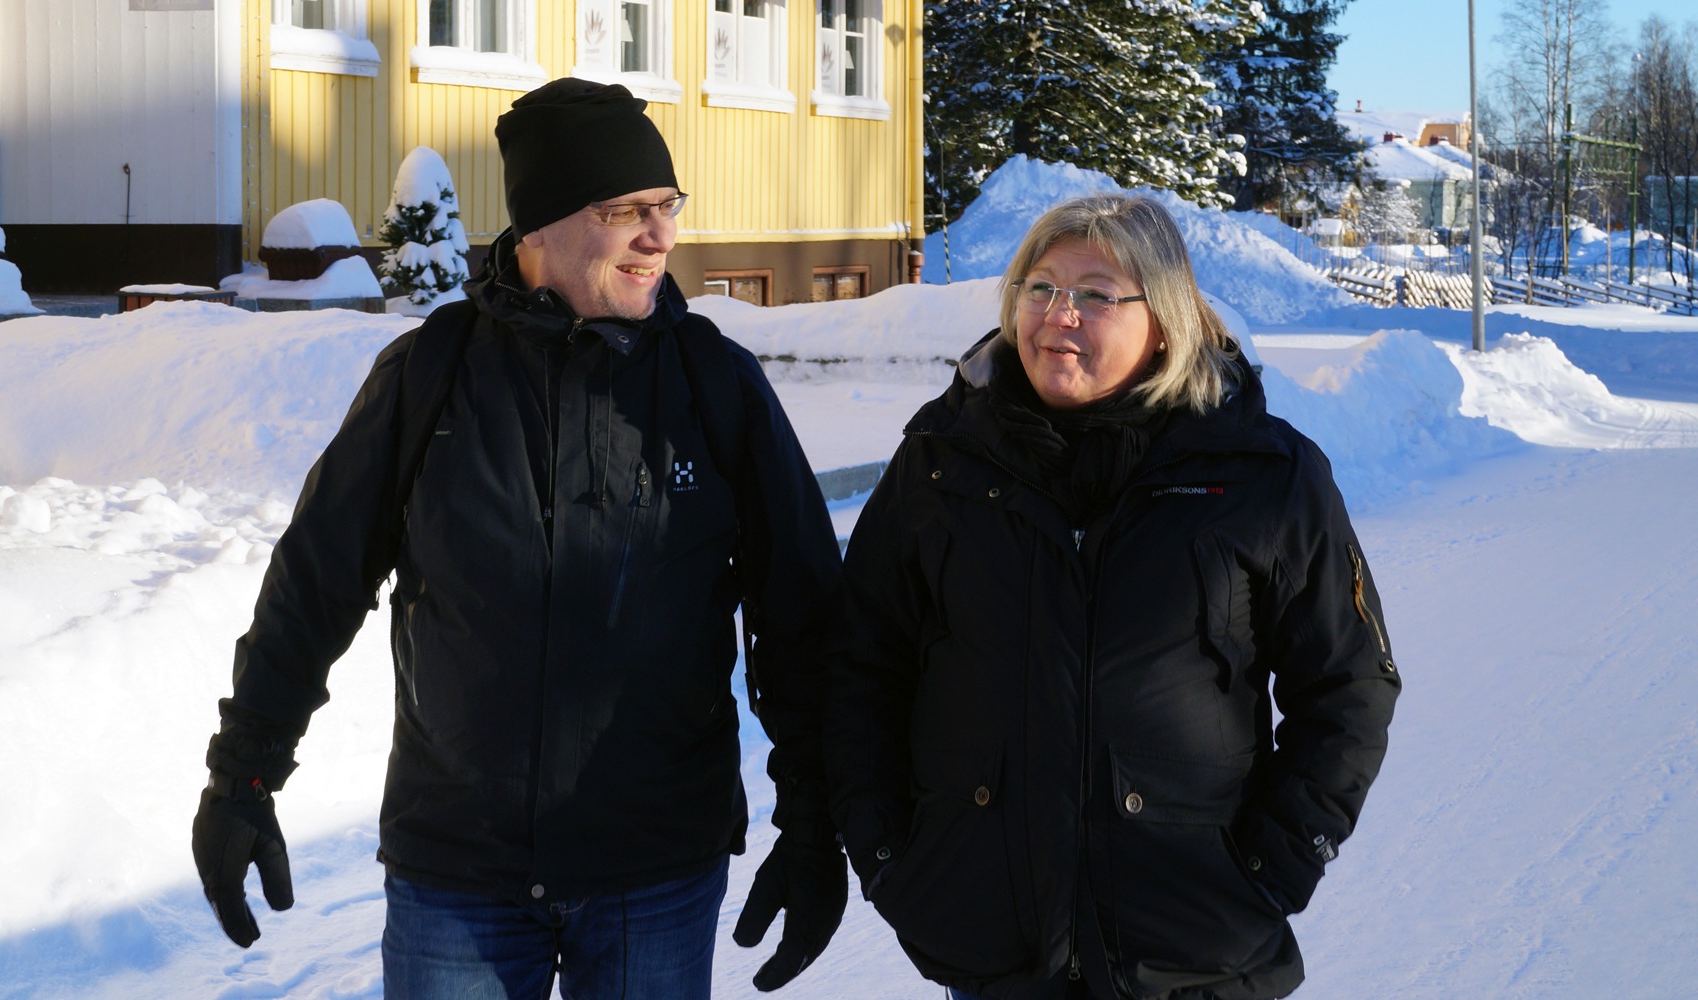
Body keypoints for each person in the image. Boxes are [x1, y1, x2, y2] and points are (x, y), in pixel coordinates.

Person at [190, 79, 847, 999]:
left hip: (653, 872)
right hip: (458, 877)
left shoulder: (712, 386)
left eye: (667, 207)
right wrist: (244, 774)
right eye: (626, 211)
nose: (660, 237)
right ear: (539, 226)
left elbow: (803, 617)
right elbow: (316, 581)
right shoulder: (431, 376)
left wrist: (816, 819)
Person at [823, 194, 1401, 1000]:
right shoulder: (941, 461)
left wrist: (1272, 870)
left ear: (1164, 319)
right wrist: (889, 856)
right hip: (994, 948)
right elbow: (858, 666)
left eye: (1096, 294)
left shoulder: (1264, 475)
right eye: (1041, 288)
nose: (1059, 315)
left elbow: (1349, 685)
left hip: (1195, 948)